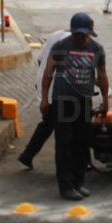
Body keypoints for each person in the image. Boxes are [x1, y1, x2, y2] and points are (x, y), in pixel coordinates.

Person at [40, 13, 110, 200]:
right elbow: (48, 72)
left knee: (82, 142)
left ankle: (79, 182)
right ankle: (66, 186)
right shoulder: (60, 47)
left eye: (84, 34)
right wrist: (44, 98)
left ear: (90, 33)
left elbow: (102, 75)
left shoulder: (97, 49)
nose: (80, 38)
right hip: (63, 101)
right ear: (72, 32)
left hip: (84, 100)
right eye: (77, 34)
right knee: (64, 144)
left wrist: (105, 99)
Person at [16, 28, 71, 169]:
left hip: (45, 86)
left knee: (47, 124)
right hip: (56, 90)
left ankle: (27, 155)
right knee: (71, 127)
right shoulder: (73, 42)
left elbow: (40, 60)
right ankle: (79, 161)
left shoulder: (55, 35)